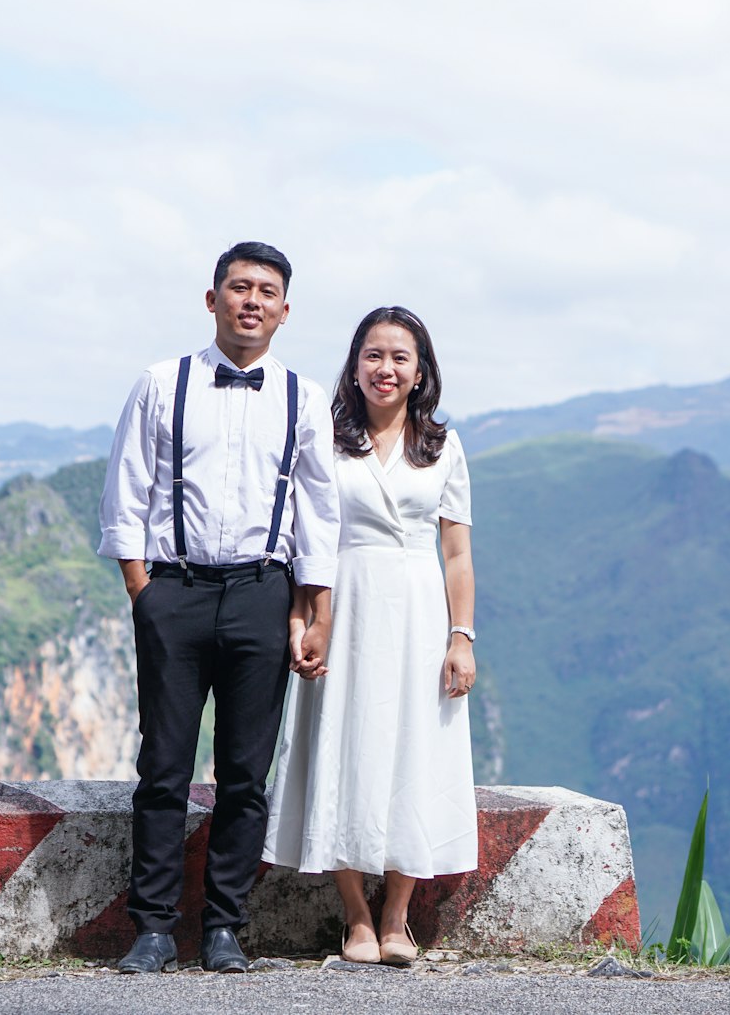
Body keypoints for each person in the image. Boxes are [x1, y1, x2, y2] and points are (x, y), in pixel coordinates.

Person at [97, 242, 339, 975]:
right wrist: (146, 593)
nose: (252, 301)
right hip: (174, 592)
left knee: (244, 772)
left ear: (285, 311)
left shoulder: (302, 395)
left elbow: (318, 511)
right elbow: (126, 488)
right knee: (164, 766)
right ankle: (155, 928)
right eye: (239, 287)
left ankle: (227, 927)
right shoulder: (161, 382)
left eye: (267, 291)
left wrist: (314, 611)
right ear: (212, 300)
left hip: (262, 595)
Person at [263, 305, 477, 965]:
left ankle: (397, 915)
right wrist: (304, 620)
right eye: (373, 356)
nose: (386, 368)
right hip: (345, 605)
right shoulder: (325, 440)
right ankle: (354, 914)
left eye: (400, 358)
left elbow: (458, 553)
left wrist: (462, 635)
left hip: (418, 608)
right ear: (354, 368)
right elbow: (307, 541)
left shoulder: (442, 446)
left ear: (421, 372)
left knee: (415, 747)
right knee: (342, 742)